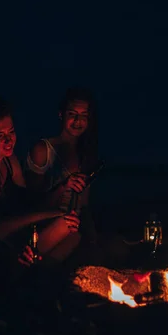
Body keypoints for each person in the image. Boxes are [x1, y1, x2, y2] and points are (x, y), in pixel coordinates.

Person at [0, 96, 81, 277]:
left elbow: (29, 203)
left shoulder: (10, 162)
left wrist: (62, 188)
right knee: (63, 224)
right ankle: (30, 275)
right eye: (0, 136)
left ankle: (38, 273)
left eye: (11, 132)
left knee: (73, 233)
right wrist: (44, 216)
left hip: (16, 237)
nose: (9, 140)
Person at [25, 87, 101, 266]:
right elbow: (31, 206)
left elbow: (84, 206)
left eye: (84, 116)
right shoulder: (43, 150)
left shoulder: (86, 155)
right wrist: (63, 187)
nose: (78, 121)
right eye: (72, 114)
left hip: (75, 227)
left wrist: (93, 236)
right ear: (61, 115)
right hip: (47, 227)